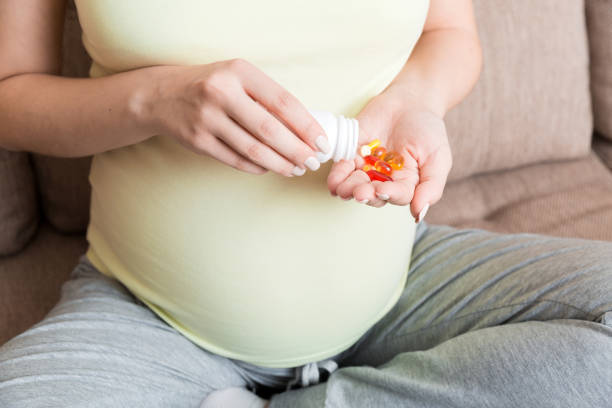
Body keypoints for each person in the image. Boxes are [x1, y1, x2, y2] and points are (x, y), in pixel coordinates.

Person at [0, 0, 610, 407]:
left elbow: (451, 34)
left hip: (402, 283)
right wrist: (154, 99)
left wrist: (417, 97)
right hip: (146, 313)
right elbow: (11, 96)